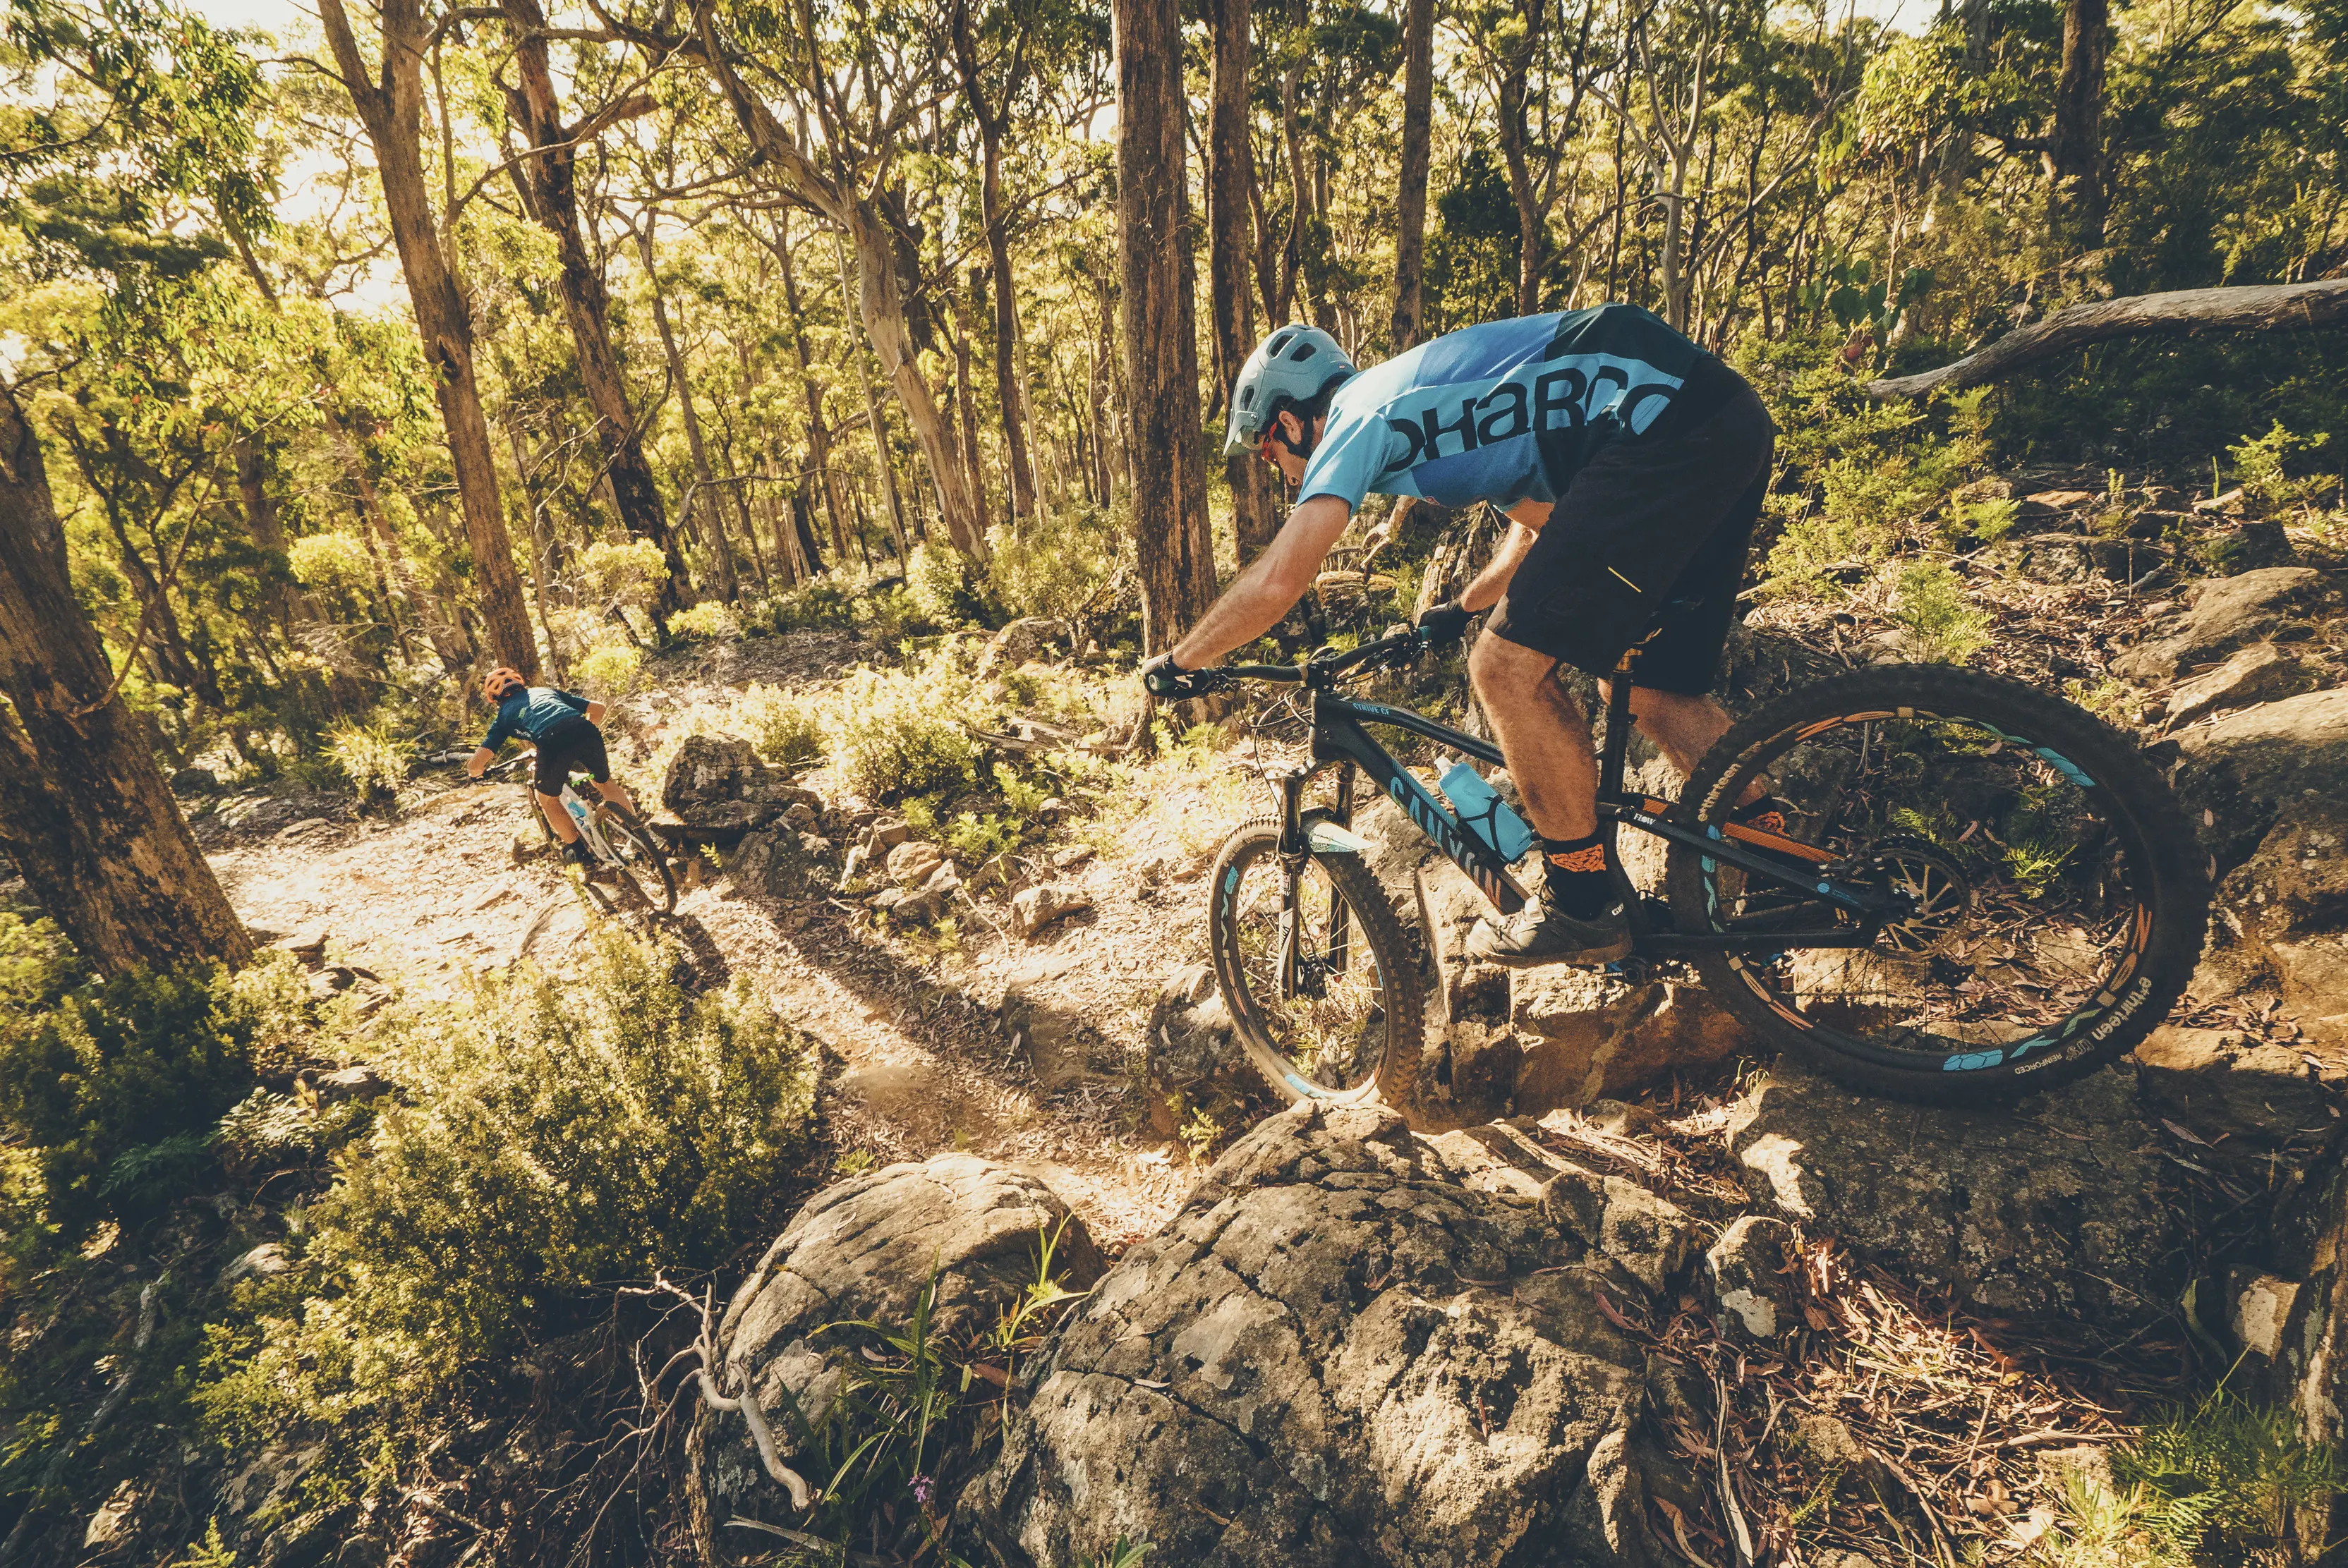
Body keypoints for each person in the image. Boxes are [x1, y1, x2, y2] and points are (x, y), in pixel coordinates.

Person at [1142, 309, 1781, 967]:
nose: (1278, 470)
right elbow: (1545, 528)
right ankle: (1785, 870)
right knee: (1653, 687)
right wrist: (1457, 606)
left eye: (1270, 448)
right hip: (1719, 418)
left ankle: (1581, 905)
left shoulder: (1359, 411)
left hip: (1661, 429)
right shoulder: (1455, 412)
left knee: (1504, 670)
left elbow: (1280, 581)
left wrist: (1179, 658)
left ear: (1293, 419)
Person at [465, 667, 636, 872]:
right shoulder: (545, 691)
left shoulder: (503, 717)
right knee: (603, 783)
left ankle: (581, 855)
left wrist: (475, 773)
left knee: (546, 799)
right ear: (521, 683)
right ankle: (640, 833)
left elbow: (476, 764)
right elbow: (598, 709)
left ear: (495, 698)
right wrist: (583, 734)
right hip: (585, 729)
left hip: (551, 741)